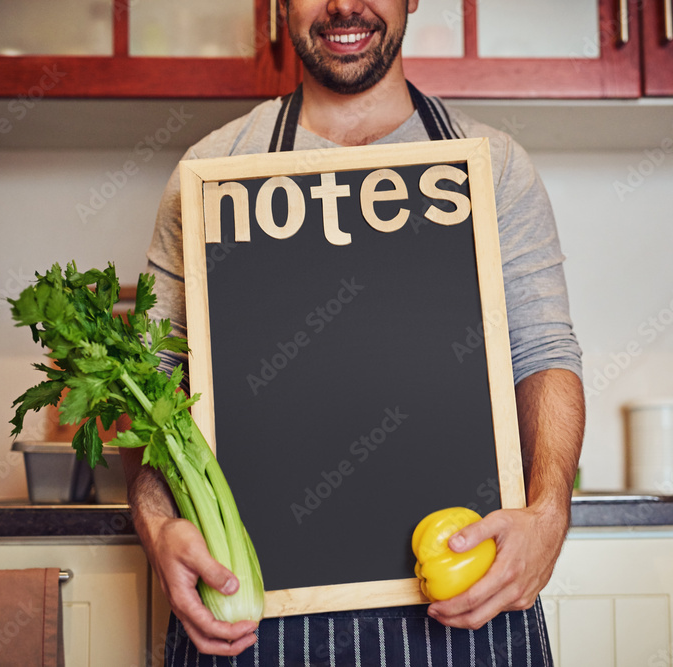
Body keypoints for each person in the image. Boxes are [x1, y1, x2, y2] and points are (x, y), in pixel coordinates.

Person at [121, 0, 585, 664]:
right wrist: (157, 526)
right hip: (255, 618)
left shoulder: (496, 168)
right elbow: (148, 387)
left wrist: (549, 515)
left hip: (470, 599)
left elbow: (544, 354)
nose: (343, 3)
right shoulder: (209, 173)